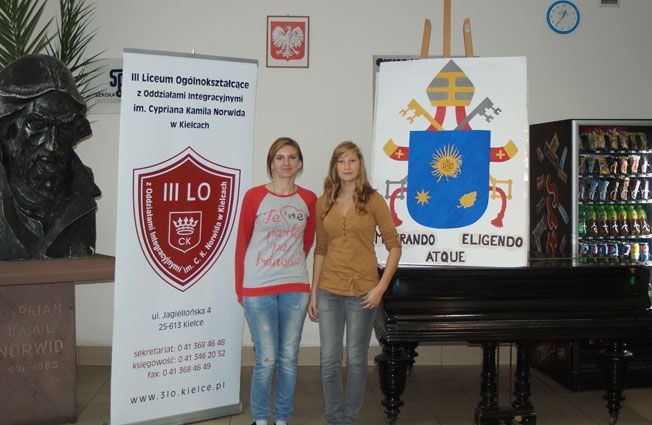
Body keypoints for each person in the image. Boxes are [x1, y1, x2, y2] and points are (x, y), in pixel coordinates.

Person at [308, 141, 401, 425]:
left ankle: (349, 419)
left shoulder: (373, 200)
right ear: (334, 167)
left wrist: (380, 288)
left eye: (352, 161)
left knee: (357, 359)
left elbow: (394, 246)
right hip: (329, 290)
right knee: (329, 360)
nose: (347, 166)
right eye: (341, 161)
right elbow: (320, 249)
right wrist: (314, 293)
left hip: (364, 291)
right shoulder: (323, 202)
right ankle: (333, 418)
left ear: (360, 165)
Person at [235, 137, 317, 425]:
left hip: (295, 288)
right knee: (266, 358)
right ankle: (260, 418)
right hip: (258, 288)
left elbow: (307, 241)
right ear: (271, 163)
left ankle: (282, 418)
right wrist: (240, 289)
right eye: (280, 157)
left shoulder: (309, 199)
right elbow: (242, 242)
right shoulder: (254, 196)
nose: (286, 163)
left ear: (300, 163)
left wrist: (289, 266)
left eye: (292, 157)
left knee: (289, 357)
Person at [0, 54, 100, 260]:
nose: (52, 145)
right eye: (37, 125)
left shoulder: (82, 192)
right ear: (7, 128)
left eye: (64, 127)